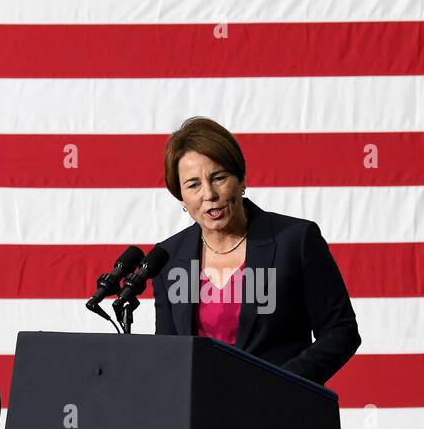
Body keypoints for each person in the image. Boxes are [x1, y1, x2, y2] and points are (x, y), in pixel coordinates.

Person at [152, 116, 361, 386]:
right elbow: (168, 353)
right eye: (193, 185)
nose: (209, 194)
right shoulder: (167, 258)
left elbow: (341, 331)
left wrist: (279, 384)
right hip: (201, 416)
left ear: (241, 180)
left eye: (219, 177)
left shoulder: (295, 241)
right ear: (181, 196)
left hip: (278, 411)